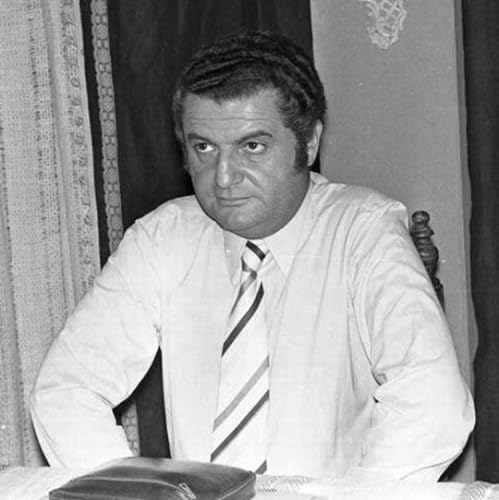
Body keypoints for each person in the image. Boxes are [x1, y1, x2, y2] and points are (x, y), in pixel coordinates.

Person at [31, 31, 474, 481]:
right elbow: (67, 388)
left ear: (309, 143)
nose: (223, 178)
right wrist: (140, 491)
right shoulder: (162, 238)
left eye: (252, 146)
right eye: (204, 147)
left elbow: (431, 399)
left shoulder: (363, 231)